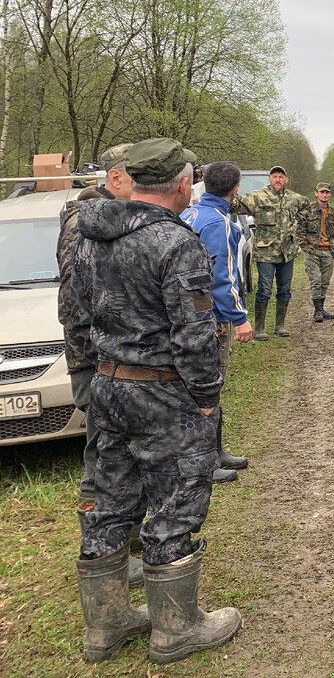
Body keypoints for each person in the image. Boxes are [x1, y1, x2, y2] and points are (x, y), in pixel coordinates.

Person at [69, 137, 240, 663]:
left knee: (108, 501)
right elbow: (194, 332)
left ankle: (105, 626)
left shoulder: (89, 233)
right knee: (175, 503)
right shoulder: (176, 242)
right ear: (183, 184)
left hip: (107, 385)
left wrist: (98, 368)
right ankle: (176, 629)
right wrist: (206, 397)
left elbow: (76, 314)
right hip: (163, 392)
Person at [57, 143, 145, 586]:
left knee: (121, 454)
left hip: (109, 361)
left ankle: (126, 540)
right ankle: (103, 557)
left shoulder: (109, 218)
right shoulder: (84, 224)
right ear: (115, 178)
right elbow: (78, 303)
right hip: (94, 362)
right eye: (137, 177)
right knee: (102, 458)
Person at [181, 162, 253, 482]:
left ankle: (216, 451)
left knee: (205, 385)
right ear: (235, 190)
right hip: (212, 318)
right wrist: (239, 318)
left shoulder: (190, 213)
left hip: (189, 315)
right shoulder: (219, 222)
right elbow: (222, 278)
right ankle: (206, 462)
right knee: (210, 386)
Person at [229, 165, 308, 339]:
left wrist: (298, 224)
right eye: (274, 176)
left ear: (286, 179)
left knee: (285, 289)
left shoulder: (294, 198)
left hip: (287, 252)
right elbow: (234, 206)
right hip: (266, 253)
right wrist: (226, 191)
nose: (277, 179)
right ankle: (259, 328)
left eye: (281, 176)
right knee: (264, 289)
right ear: (269, 179)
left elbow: (307, 209)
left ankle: (280, 326)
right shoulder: (258, 197)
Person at [298, 181, 334, 322]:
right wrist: (307, 248)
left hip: (328, 252)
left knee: (325, 281)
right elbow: (300, 231)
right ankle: (317, 310)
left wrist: (333, 248)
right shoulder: (307, 211)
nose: (324, 195)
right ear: (316, 193)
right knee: (315, 280)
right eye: (322, 192)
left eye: (327, 192)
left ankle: (321, 309)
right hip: (313, 252)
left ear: (330, 194)